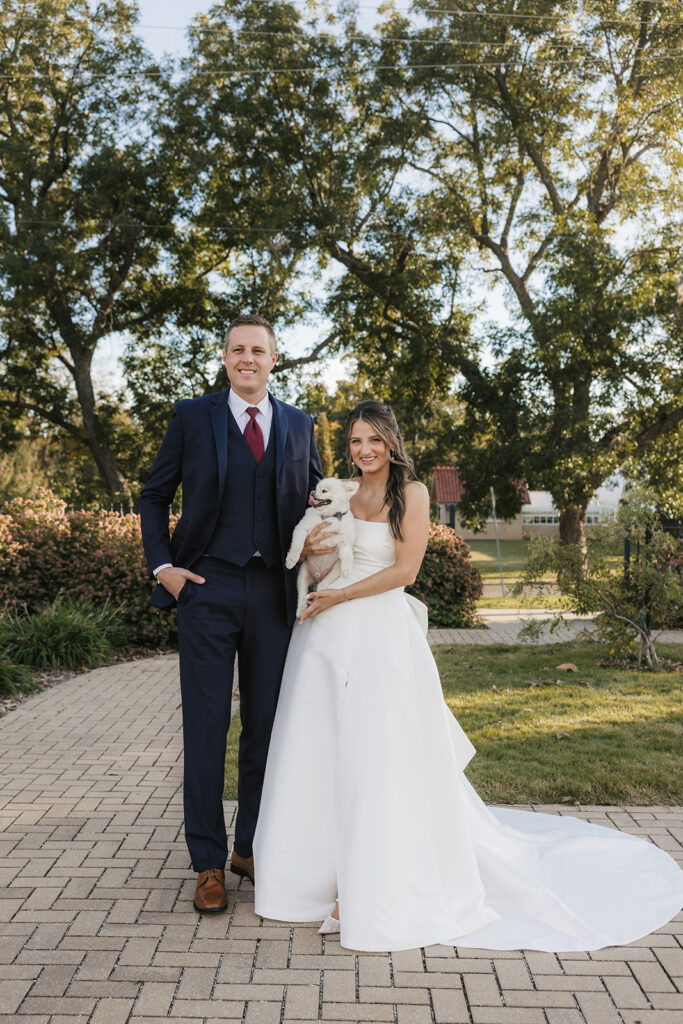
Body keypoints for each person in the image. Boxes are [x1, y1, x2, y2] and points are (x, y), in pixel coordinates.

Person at [253, 399, 683, 952]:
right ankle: (312, 879)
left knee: (379, 759)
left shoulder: (410, 494)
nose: (365, 450)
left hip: (380, 636)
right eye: (357, 440)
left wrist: (340, 594)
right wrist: (311, 557)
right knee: (318, 755)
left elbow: (404, 570)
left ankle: (371, 885)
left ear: (392, 442)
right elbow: (317, 568)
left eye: (374, 440)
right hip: (322, 641)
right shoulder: (338, 492)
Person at [139, 314, 324, 914]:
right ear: (225, 358)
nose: (248, 358)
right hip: (207, 587)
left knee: (266, 728)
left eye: (258, 350)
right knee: (207, 726)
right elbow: (154, 494)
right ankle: (208, 862)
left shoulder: (299, 424)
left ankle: (250, 845)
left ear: (274, 359)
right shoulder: (193, 417)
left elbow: (320, 501)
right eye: (237, 350)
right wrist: (162, 566)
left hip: (274, 593)